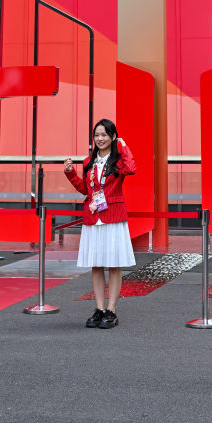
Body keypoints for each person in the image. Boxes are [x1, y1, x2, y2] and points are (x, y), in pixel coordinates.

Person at [64, 119, 136, 329]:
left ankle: (111, 310)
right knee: (96, 265)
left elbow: (132, 169)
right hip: (93, 217)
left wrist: (123, 146)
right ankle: (99, 308)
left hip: (113, 216)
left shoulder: (119, 160)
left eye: (104, 134)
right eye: (96, 135)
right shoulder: (88, 161)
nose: (100, 138)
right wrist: (70, 173)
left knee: (114, 265)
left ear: (113, 137)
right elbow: (85, 190)